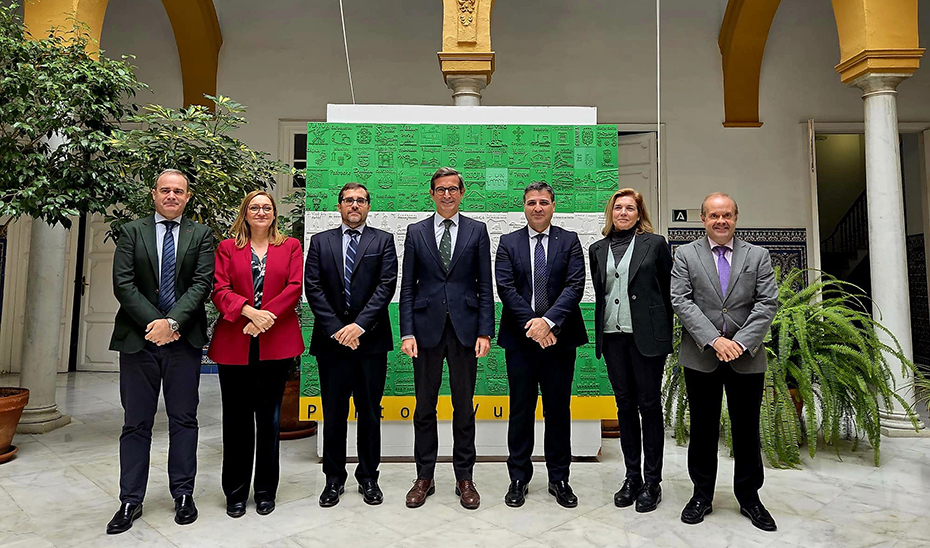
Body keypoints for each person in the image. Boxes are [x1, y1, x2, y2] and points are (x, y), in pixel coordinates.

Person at [107, 169, 214, 534]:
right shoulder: (131, 232)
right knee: (136, 422)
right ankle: (130, 500)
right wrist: (155, 323)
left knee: (184, 420)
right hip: (138, 341)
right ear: (153, 194)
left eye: (178, 191)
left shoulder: (200, 234)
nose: (171, 196)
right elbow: (123, 284)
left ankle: (183, 494)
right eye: (165, 190)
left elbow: (201, 284)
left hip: (183, 342)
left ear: (187, 197)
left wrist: (172, 323)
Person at [670, 192, 779, 531]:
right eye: (714, 215)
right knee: (703, 429)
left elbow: (767, 303)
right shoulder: (685, 254)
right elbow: (681, 300)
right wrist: (714, 339)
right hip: (701, 355)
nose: (721, 221)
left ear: (736, 218)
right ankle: (701, 495)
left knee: (746, 430)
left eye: (727, 215)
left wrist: (740, 343)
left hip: (746, 357)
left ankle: (750, 498)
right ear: (703, 219)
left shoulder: (757, 255)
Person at [400, 167, 494, 510]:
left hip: (465, 330)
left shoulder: (477, 230)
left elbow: (485, 285)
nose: (447, 195)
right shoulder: (416, 232)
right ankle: (423, 476)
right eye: (441, 189)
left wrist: (485, 331)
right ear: (432, 194)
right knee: (424, 406)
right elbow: (407, 287)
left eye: (453, 189)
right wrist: (407, 332)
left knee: (464, 406)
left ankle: (464, 477)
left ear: (462, 193)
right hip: (425, 330)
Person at [208, 190, 305, 518]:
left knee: (269, 419)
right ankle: (235, 493)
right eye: (254, 207)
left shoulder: (290, 246)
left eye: (266, 207)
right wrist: (250, 313)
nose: (261, 212)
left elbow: (294, 287)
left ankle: (265, 491)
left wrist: (265, 318)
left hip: (277, 344)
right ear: (245, 213)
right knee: (236, 420)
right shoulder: (227, 248)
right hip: (235, 342)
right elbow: (219, 290)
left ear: (274, 213)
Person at [304, 182, 397, 507]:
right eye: (348, 200)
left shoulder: (383, 240)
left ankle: (369, 478)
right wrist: (337, 329)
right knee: (333, 413)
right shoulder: (320, 241)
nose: (354, 205)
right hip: (331, 344)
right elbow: (313, 287)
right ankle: (333, 479)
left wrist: (358, 326)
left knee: (369, 413)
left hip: (371, 342)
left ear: (368, 205)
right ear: (339, 205)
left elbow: (386, 286)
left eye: (360, 200)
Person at [495, 182, 587, 509]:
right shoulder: (508, 242)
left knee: (558, 410)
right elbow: (506, 288)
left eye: (544, 202)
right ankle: (518, 477)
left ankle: (559, 478)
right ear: (524, 206)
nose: (538, 208)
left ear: (553, 206)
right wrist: (534, 325)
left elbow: (575, 286)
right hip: (521, 340)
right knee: (521, 410)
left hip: (560, 340)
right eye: (532, 202)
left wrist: (548, 322)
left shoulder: (569, 240)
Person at [589, 188, 673, 513]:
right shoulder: (597, 249)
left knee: (649, 406)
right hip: (612, 337)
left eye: (630, 208)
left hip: (646, 338)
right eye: (618, 208)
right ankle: (632, 477)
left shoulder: (656, 244)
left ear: (639, 214)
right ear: (611, 213)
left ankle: (653, 481)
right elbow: (602, 292)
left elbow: (667, 291)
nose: (623, 213)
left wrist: (663, 333)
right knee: (624, 406)